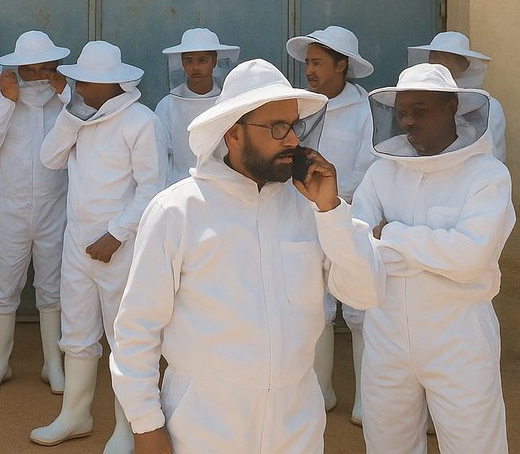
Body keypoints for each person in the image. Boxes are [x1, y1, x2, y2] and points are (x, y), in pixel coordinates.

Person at [111, 59, 380, 454]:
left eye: (294, 126)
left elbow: (366, 292)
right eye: (277, 128)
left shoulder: (311, 208)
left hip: (296, 425)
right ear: (233, 134)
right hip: (203, 427)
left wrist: (333, 212)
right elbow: (137, 329)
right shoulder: (178, 210)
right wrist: (146, 425)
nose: (292, 140)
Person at [353, 63, 514, 454]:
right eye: (403, 111)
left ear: (451, 107)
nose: (407, 121)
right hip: (385, 337)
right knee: (387, 444)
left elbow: (470, 258)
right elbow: (355, 245)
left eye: (419, 110)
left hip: (459, 338)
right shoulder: (381, 172)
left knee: (474, 444)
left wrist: (391, 235)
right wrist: (434, 252)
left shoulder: (486, 176)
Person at [30, 42, 167, 454]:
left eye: (82, 82)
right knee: (76, 334)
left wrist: (116, 235)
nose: (74, 87)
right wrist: (70, 117)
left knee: (124, 339)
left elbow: (153, 188)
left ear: (107, 84)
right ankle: (76, 415)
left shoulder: (141, 121)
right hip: (77, 244)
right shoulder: (78, 115)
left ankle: (128, 427)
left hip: (119, 248)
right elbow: (49, 159)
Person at [0, 30, 71, 394]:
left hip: (54, 205)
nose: (41, 75)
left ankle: (53, 365)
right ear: (18, 69)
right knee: (3, 286)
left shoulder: (66, 101)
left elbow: (89, 127)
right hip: (10, 207)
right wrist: (5, 102)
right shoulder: (3, 98)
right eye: (33, 69)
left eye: (48, 68)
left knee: (52, 287)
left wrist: (66, 93)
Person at [285, 25, 376, 414]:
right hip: (305, 217)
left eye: (318, 63)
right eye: (308, 63)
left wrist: (334, 200)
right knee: (314, 304)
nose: (309, 70)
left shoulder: (368, 108)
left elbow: (371, 165)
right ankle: (321, 392)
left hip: (351, 215)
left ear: (343, 66)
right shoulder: (302, 105)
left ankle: (368, 402)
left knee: (359, 310)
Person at [154, 28, 239, 184]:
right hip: (179, 188)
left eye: (202, 60)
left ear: (214, 61)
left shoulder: (228, 102)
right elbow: (158, 158)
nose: (195, 67)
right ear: (182, 63)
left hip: (223, 187)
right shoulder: (167, 105)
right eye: (189, 60)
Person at [408, 31, 507, 161]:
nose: (434, 61)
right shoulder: (416, 101)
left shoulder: (489, 106)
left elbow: (494, 156)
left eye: (444, 56)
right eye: (433, 55)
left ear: (463, 63)